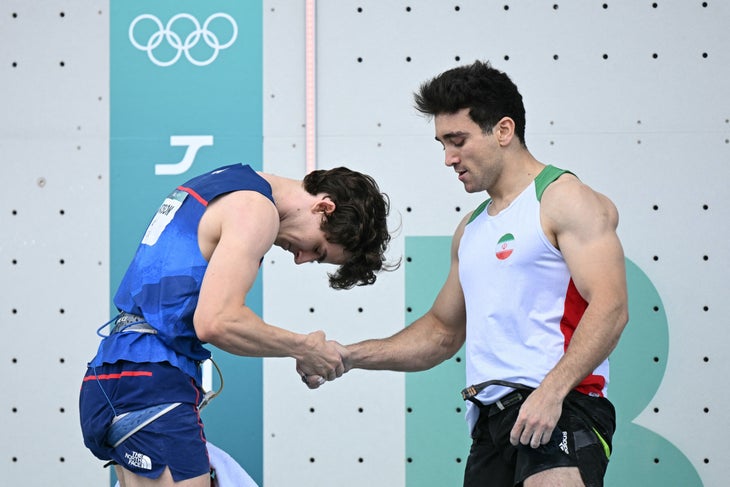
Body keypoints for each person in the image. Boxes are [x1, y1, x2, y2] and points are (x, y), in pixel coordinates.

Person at [304, 61, 629, 487]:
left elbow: (612, 307)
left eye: (457, 141)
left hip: (563, 407)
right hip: (492, 425)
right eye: (441, 143)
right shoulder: (470, 229)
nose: (448, 158)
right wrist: (348, 355)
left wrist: (551, 393)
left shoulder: (564, 198)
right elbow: (441, 332)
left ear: (503, 130)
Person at [79, 162, 393, 486]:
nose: (301, 259)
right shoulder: (256, 207)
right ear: (324, 207)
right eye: (317, 249)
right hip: (149, 382)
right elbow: (217, 321)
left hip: (115, 376)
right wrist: (304, 348)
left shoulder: (224, 184)